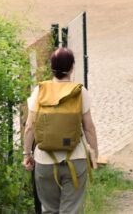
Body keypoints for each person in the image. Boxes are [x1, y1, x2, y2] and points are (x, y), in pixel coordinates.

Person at [23, 47, 99, 214]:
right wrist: (94, 155)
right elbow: (89, 128)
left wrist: (27, 154)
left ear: (51, 67)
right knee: (71, 210)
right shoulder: (80, 92)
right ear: (72, 67)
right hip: (75, 159)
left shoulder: (39, 91)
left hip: (44, 161)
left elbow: (29, 127)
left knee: (49, 210)